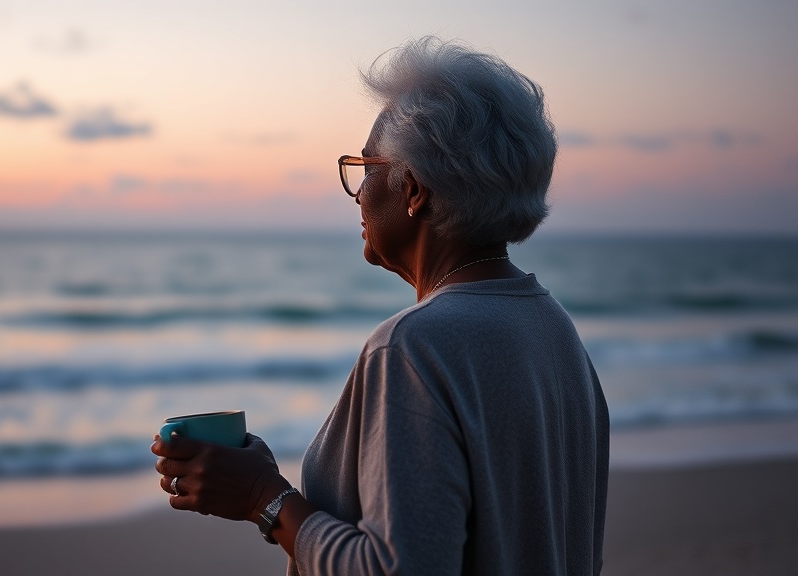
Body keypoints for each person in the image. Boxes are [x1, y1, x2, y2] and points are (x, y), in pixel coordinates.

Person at [152, 36, 609, 575]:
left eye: (366, 167)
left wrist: (264, 499)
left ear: (413, 190)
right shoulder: (553, 329)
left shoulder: (414, 347)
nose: (358, 193)